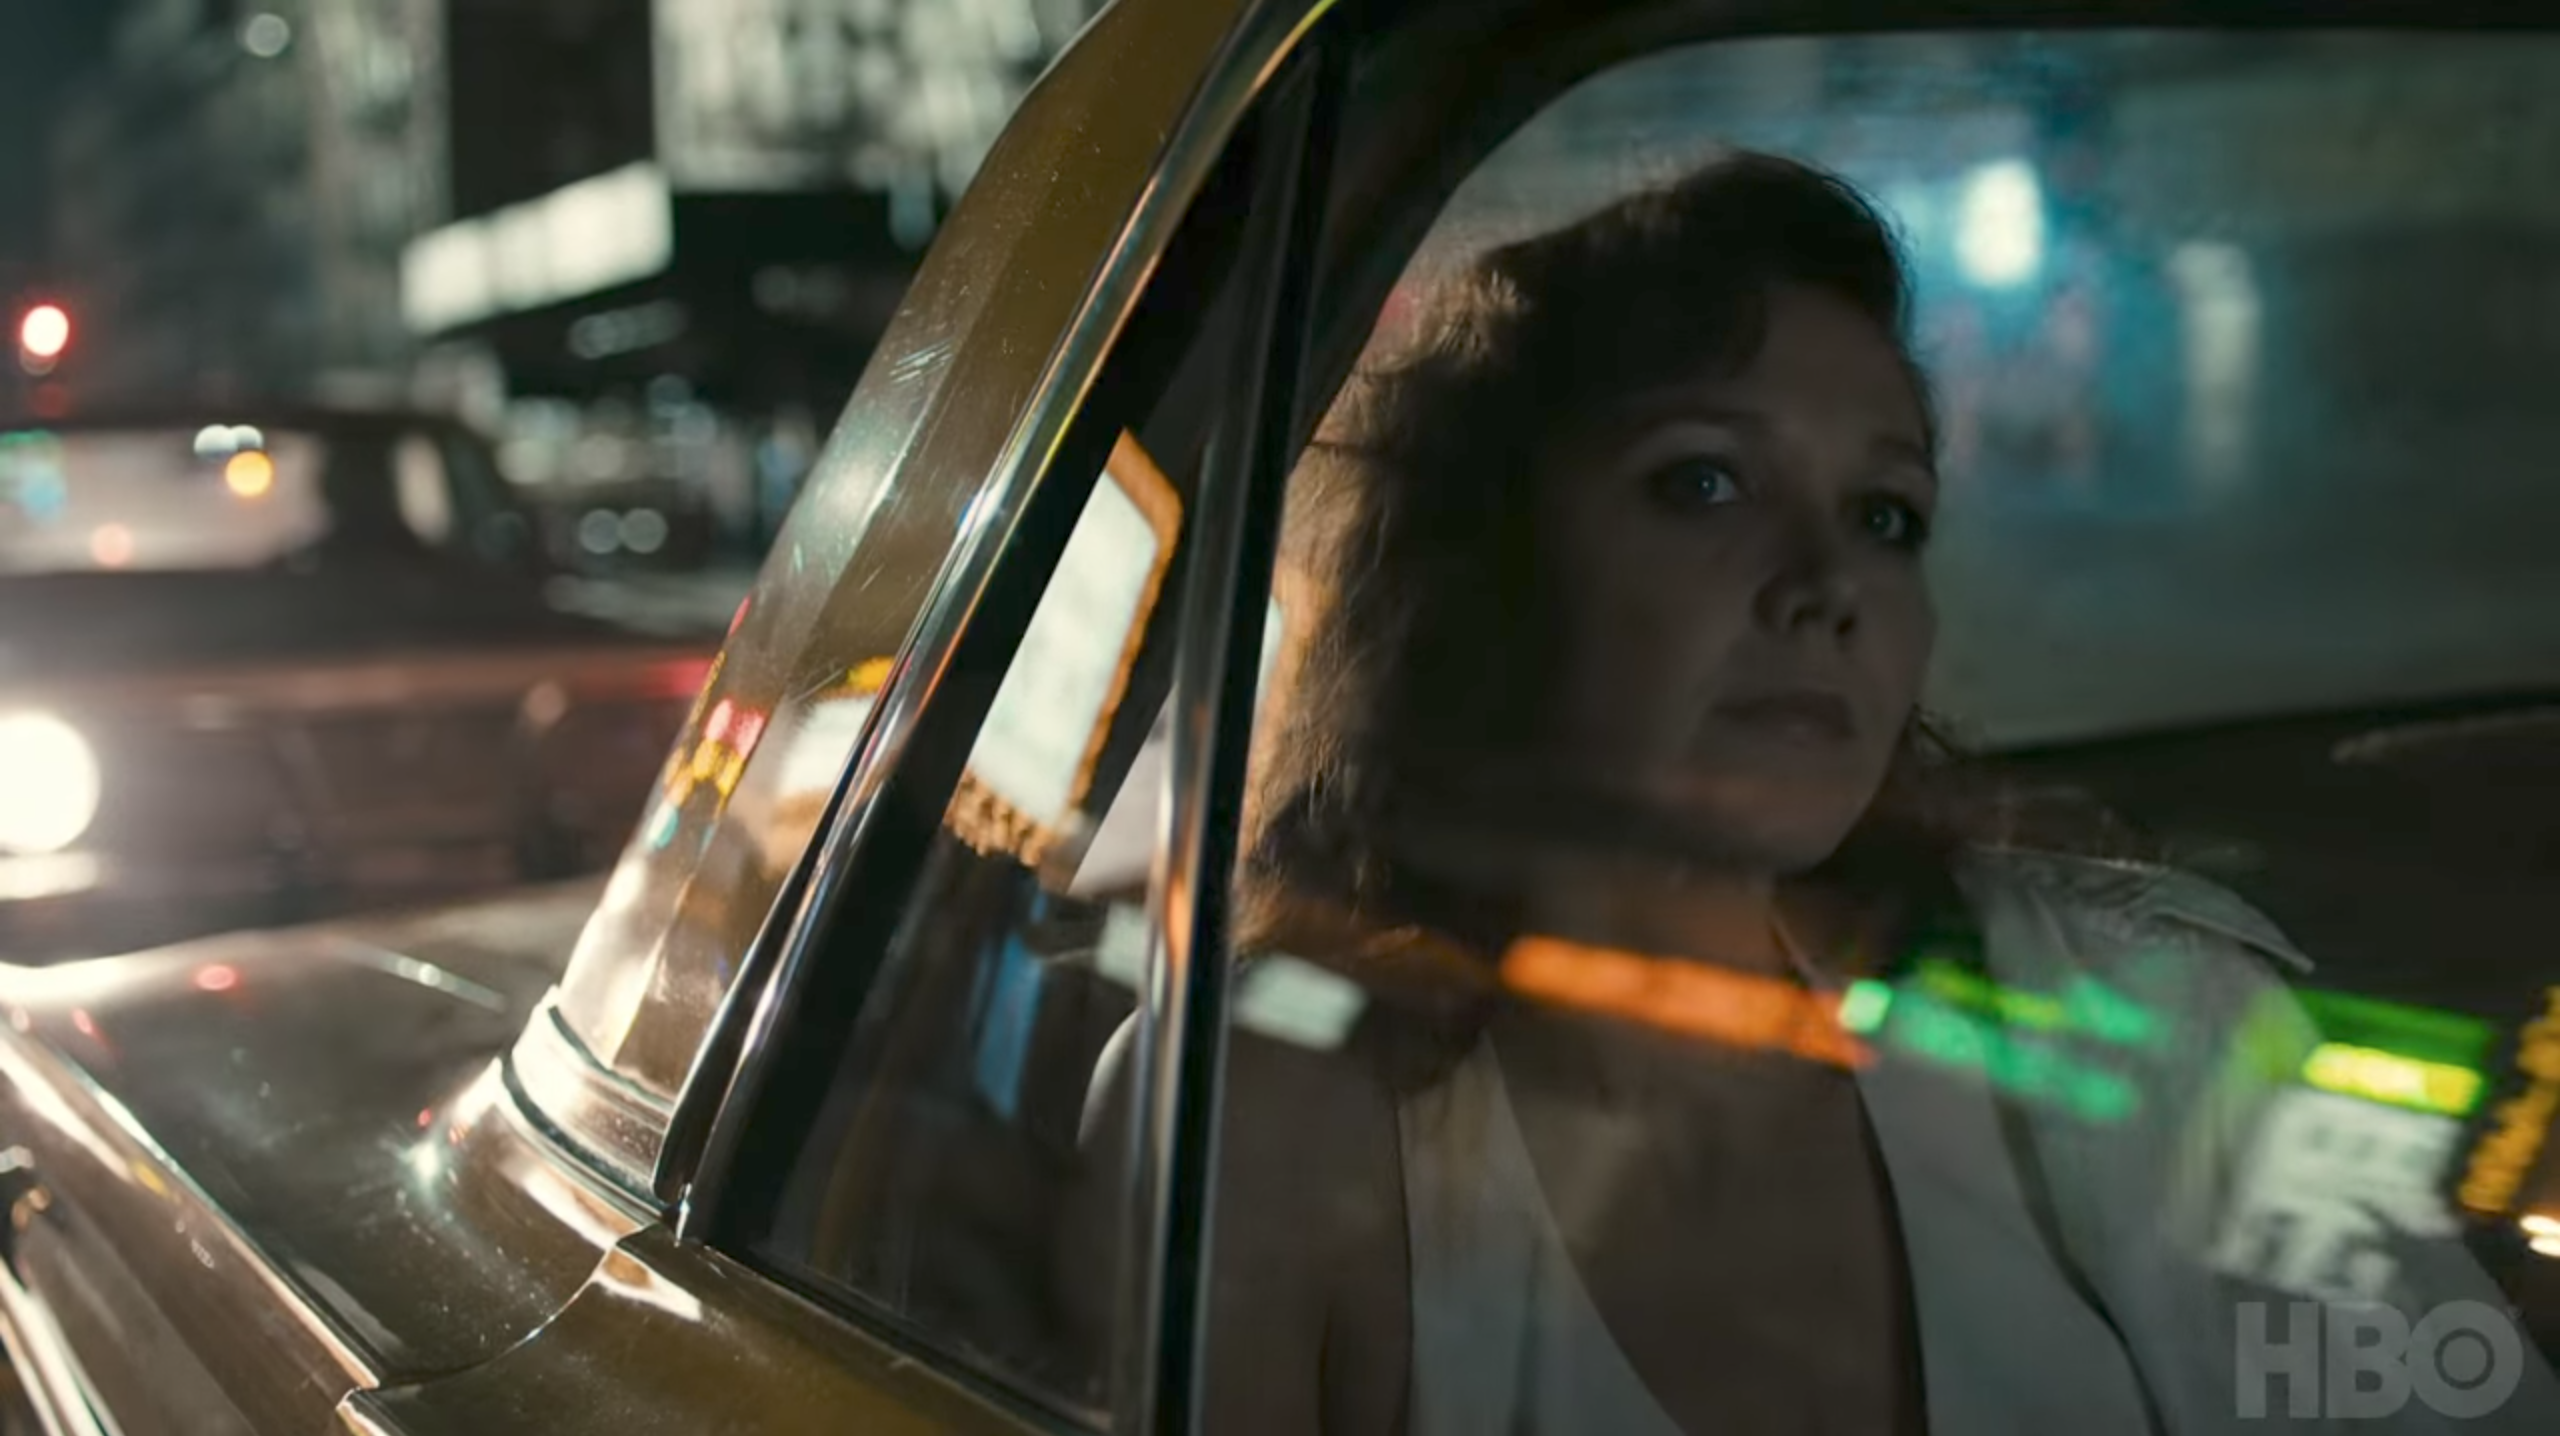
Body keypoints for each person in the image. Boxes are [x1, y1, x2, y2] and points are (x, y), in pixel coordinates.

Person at [1196, 152, 2558, 1434]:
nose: (1827, 585)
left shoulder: (2151, 1025)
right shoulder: (1269, 1122)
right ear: (1482, 568)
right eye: (1705, 482)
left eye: (1885, 515)